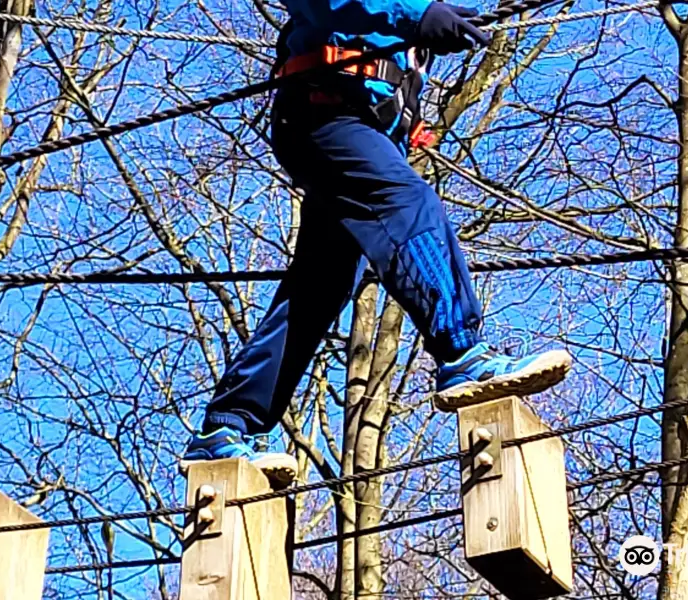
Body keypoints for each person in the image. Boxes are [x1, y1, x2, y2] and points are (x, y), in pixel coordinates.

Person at [182, 0, 570, 486]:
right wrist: (417, 13)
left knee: (320, 286)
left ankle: (228, 424)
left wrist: (431, 20)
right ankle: (461, 352)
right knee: (409, 205)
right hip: (324, 115)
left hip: (347, 124)